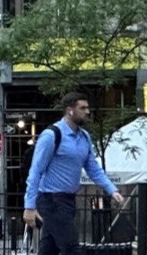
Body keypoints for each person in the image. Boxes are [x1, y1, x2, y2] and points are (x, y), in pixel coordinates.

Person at [23, 93, 125, 255]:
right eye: (82, 108)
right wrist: (29, 206)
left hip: (68, 200)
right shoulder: (51, 135)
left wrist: (111, 189)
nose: (87, 112)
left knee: (49, 249)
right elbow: (36, 170)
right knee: (71, 248)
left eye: (87, 108)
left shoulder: (84, 137)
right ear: (70, 110)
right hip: (51, 200)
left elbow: (93, 168)